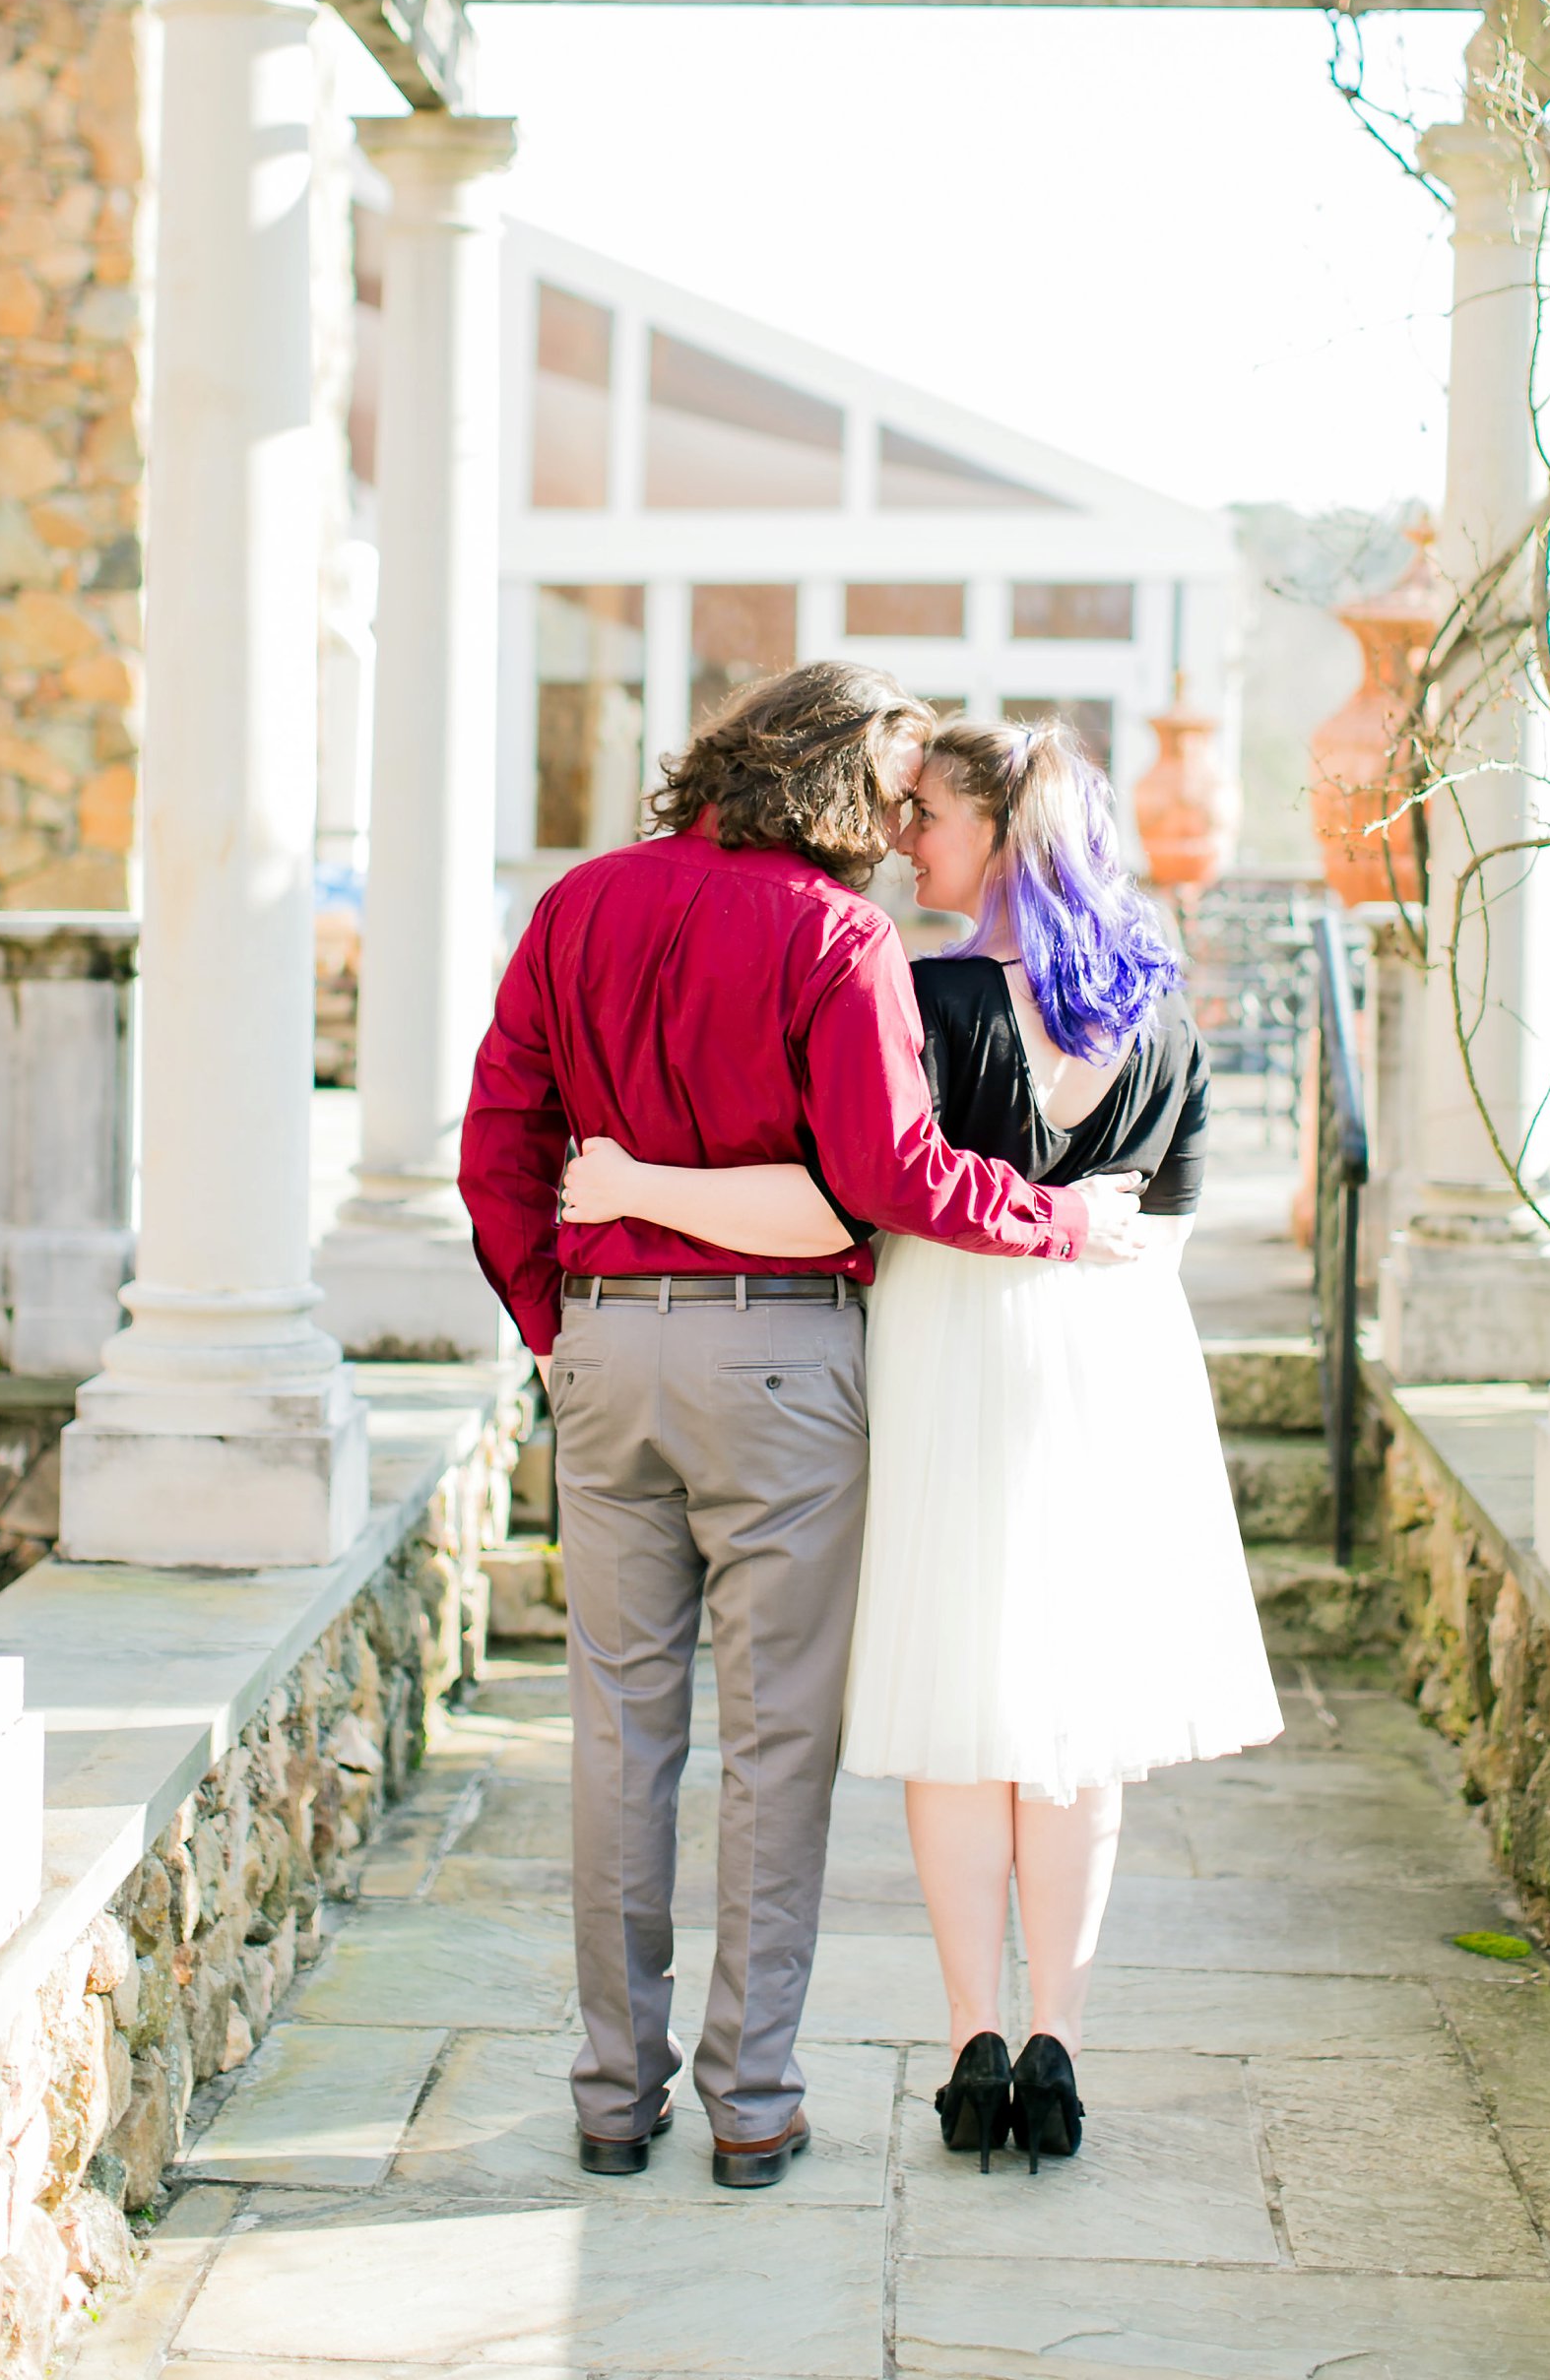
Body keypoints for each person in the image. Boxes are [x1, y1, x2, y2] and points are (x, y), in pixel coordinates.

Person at [458, 665, 1151, 2193]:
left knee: (618, 1736)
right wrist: (1055, 1222)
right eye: (897, 794)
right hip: (781, 1366)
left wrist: (555, 1319)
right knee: (778, 1749)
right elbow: (893, 1172)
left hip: (609, 1353)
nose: (905, 829)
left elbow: (498, 1136)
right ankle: (753, 2103)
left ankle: (610, 2096)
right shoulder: (840, 937)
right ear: (836, 781)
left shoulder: (580, 903)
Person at [560, 716, 1282, 2174]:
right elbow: (1173, 1236)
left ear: (1005, 836)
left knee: (961, 1711)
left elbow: (850, 1201)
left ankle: (970, 2043)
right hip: (1113, 1367)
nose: (905, 839)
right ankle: (1058, 2039)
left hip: (954, 1358)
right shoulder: (1160, 1012)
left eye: (932, 816)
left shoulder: (924, 994)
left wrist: (634, 1181)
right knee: (1075, 1729)